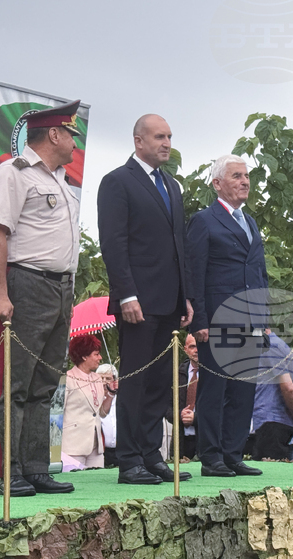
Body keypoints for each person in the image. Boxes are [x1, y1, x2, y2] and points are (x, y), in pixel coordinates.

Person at [0, 99, 83, 496]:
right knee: (16, 382)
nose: (75, 142)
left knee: (44, 383)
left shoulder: (61, 179)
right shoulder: (14, 173)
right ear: (54, 134)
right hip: (26, 282)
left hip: (60, 287)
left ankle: (37, 467)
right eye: (71, 134)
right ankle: (11, 472)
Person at [98, 114, 193, 486]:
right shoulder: (117, 182)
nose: (166, 142)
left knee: (159, 382)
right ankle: (129, 460)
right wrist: (127, 294)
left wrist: (187, 297)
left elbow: (179, 247)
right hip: (137, 301)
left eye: (169, 136)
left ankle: (152, 455)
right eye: (159, 136)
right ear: (138, 141)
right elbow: (114, 243)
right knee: (136, 381)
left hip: (170, 300)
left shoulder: (173, 186)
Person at [186, 155, 268, 478]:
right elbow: (195, 274)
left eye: (246, 175)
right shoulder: (204, 220)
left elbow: (259, 272)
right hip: (218, 320)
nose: (245, 181)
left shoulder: (251, 223)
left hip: (250, 320)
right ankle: (211, 457)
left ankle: (233, 454)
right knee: (215, 390)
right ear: (217, 183)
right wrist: (199, 321)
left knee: (243, 391)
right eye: (236, 175)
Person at [61, 334, 113, 470]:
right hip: (73, 445)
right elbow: (58, 412)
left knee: (97, 486)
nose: (100, 358)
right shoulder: (67, 379)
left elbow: (101, 413)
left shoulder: (97, 378)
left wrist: (111, 394)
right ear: (84, 356)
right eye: (96, 354)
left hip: (96, 446)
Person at [251, 331, 293, 461]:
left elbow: (288, 387)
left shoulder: (270, 346)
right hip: (271, 421)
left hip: (271, 423)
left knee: (269, 474)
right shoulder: (274, 345)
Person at [164, 333, 200, 461]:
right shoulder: (176, 374)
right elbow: (165, 407)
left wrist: (196, 418)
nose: (196, 350)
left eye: (199, 346)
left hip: (206, 440)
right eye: (192, 346)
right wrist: (179, 415)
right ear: (185, 349)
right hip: (181, 441)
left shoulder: (214, 376)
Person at [97, 364, 119, 467]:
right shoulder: (93, 400)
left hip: (120, 451)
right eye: (101, 378)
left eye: (108, 378)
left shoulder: (121, 399)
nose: (104, 381)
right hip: (101, 452)